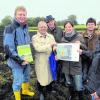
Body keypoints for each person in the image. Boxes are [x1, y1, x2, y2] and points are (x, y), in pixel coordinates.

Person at [3, 6, 35, 100]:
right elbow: (8, 48)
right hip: (16, 61)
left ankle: (25, 91)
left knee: (26, 76)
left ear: (26, 15)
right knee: (18, 80)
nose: (22, 16)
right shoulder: (10, 28)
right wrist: (20, 60)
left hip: (26, 58)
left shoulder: (25, 27)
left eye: (24, 14)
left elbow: (26, 43)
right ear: (15, 15)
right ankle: (17, 97)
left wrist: (28, 57)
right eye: (20, 14)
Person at [61, 20, 86, 100]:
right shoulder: (63, 39)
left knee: (79, 86)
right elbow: (62, 52)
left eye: (69, 26)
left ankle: (80, 97)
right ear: (64, 28)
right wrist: (58, 55)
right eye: (66, 27)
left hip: (76, 66)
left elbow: (85, 48)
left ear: (72, 27)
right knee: (69, 84)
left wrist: (80, 45)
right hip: (66, 67)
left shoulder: (79, 36)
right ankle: (72, 96)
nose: (68, 28)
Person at [32, 21, 56, 100]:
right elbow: (38, 48)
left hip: (50, 61)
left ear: (47, 27)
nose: (43, 28)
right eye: (41, 27)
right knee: (41, 78)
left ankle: (49, 90)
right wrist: (50, 45)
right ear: (38, 28)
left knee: (50, 76)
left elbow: (54, 46)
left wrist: (55, 48)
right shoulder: (35, 38)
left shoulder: (51, 36)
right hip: (41, 62)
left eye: (45, 26)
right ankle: (41, 92)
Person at [45, 15, 63, 82]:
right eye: (48, 22)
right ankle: (53, 80)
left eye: (51, 21)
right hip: (50, 52)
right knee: (52, 67)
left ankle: (60, 79)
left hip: (60, 50)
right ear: (47, 23)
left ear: (54, 21)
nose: (50, 23)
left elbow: (63, 39)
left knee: (60, 65)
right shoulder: (46, 31)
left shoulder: (60, 29)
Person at [82, 17, 100, 83]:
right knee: (84, 76)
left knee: (93, 77)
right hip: (84, 59)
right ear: (86, 26)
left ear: (95, 26)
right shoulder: (81, 35)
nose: (90, 26)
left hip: (95, 59)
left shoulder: (98, 36)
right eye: (89, 24)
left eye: (92, 24)